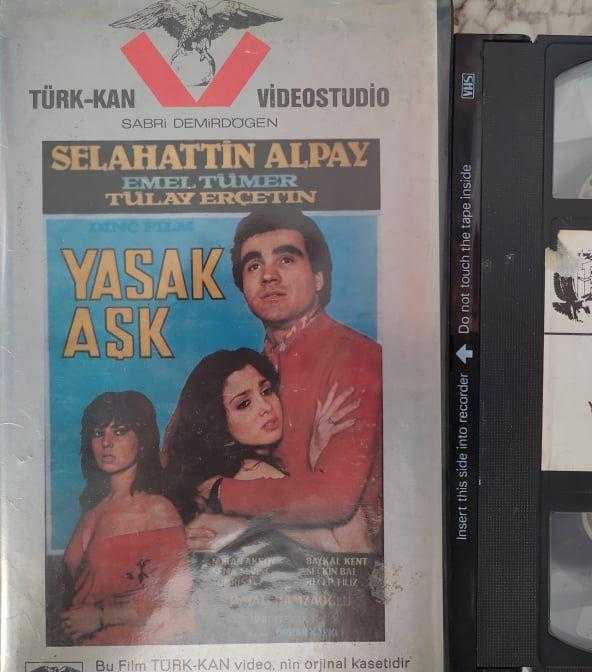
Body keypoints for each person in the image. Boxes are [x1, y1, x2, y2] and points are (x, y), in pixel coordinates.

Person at [190, 208, 383, 554]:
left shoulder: (355, 356)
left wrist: (221, 492)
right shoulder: (253, 369)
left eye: (286, 260)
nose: (268, 276)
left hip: (348, 565)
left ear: (319, 278)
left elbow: (333, 499)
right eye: (254, 266)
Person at [165, 348, 383, 643]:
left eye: (266, 391)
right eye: (244, 404)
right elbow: (352, 549)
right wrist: (319, 453)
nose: (266, 407)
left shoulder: (213, 477)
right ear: (216, 421)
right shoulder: (249, 472)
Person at [60, 392, 191, 645]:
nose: (106, 442)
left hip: (131, 653)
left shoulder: (157, 510)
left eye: (119, 432)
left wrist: (101, 616)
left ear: (142, 440)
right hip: (86, 655)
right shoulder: (92, 511)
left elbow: (178, 601)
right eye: (98, 433)